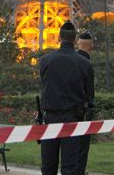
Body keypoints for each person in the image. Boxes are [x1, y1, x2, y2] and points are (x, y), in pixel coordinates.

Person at [39, 21, 95, 175]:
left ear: (59, 37)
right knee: (70, 167)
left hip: (50, 118)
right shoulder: (85, 64)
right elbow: (89, 96)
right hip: (73, 119)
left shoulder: (45, 61)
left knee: (48, 166)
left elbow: (45, 85)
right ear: (75, 39)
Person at [76, 30, 95, 175]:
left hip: (63, 114)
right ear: (91, 46)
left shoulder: (69, 60)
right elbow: (89, 94)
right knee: (80, 153)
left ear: (78, 43)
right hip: (81, 115)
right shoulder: (86, 64)